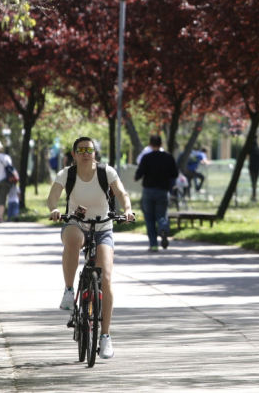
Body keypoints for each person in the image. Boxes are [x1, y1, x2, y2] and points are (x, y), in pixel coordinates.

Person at [48, 136, 135, 359]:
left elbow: (121, 193)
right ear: (74, 154)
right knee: (73, 240)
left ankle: (105, 336)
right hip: (75, 224)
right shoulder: (67, 174)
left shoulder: (106, 172)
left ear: (95, 153)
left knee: (106, 278)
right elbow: (53, 196)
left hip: (103, 227)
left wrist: (127, 209)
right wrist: (54, 209)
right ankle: (69, 291)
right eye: (81, 150)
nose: (86, 154)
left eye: (90, 150)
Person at [135, 134, 178, 251]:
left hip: (148, 191)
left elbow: (139, 174)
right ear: (161, 144)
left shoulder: (146, 157)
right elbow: (175, 174)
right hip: (163, 191)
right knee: (162, 215)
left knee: (149, 218)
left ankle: (153, 245)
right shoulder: (168, 157)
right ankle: (163, 229)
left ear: (150, 144)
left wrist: (136, 177)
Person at [247, 137, 259, 202]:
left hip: (252, 167)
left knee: (254, 181)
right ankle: (254, 195)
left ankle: (254, 195)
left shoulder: (251, 148)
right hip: (257, 167)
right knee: (254, 181)